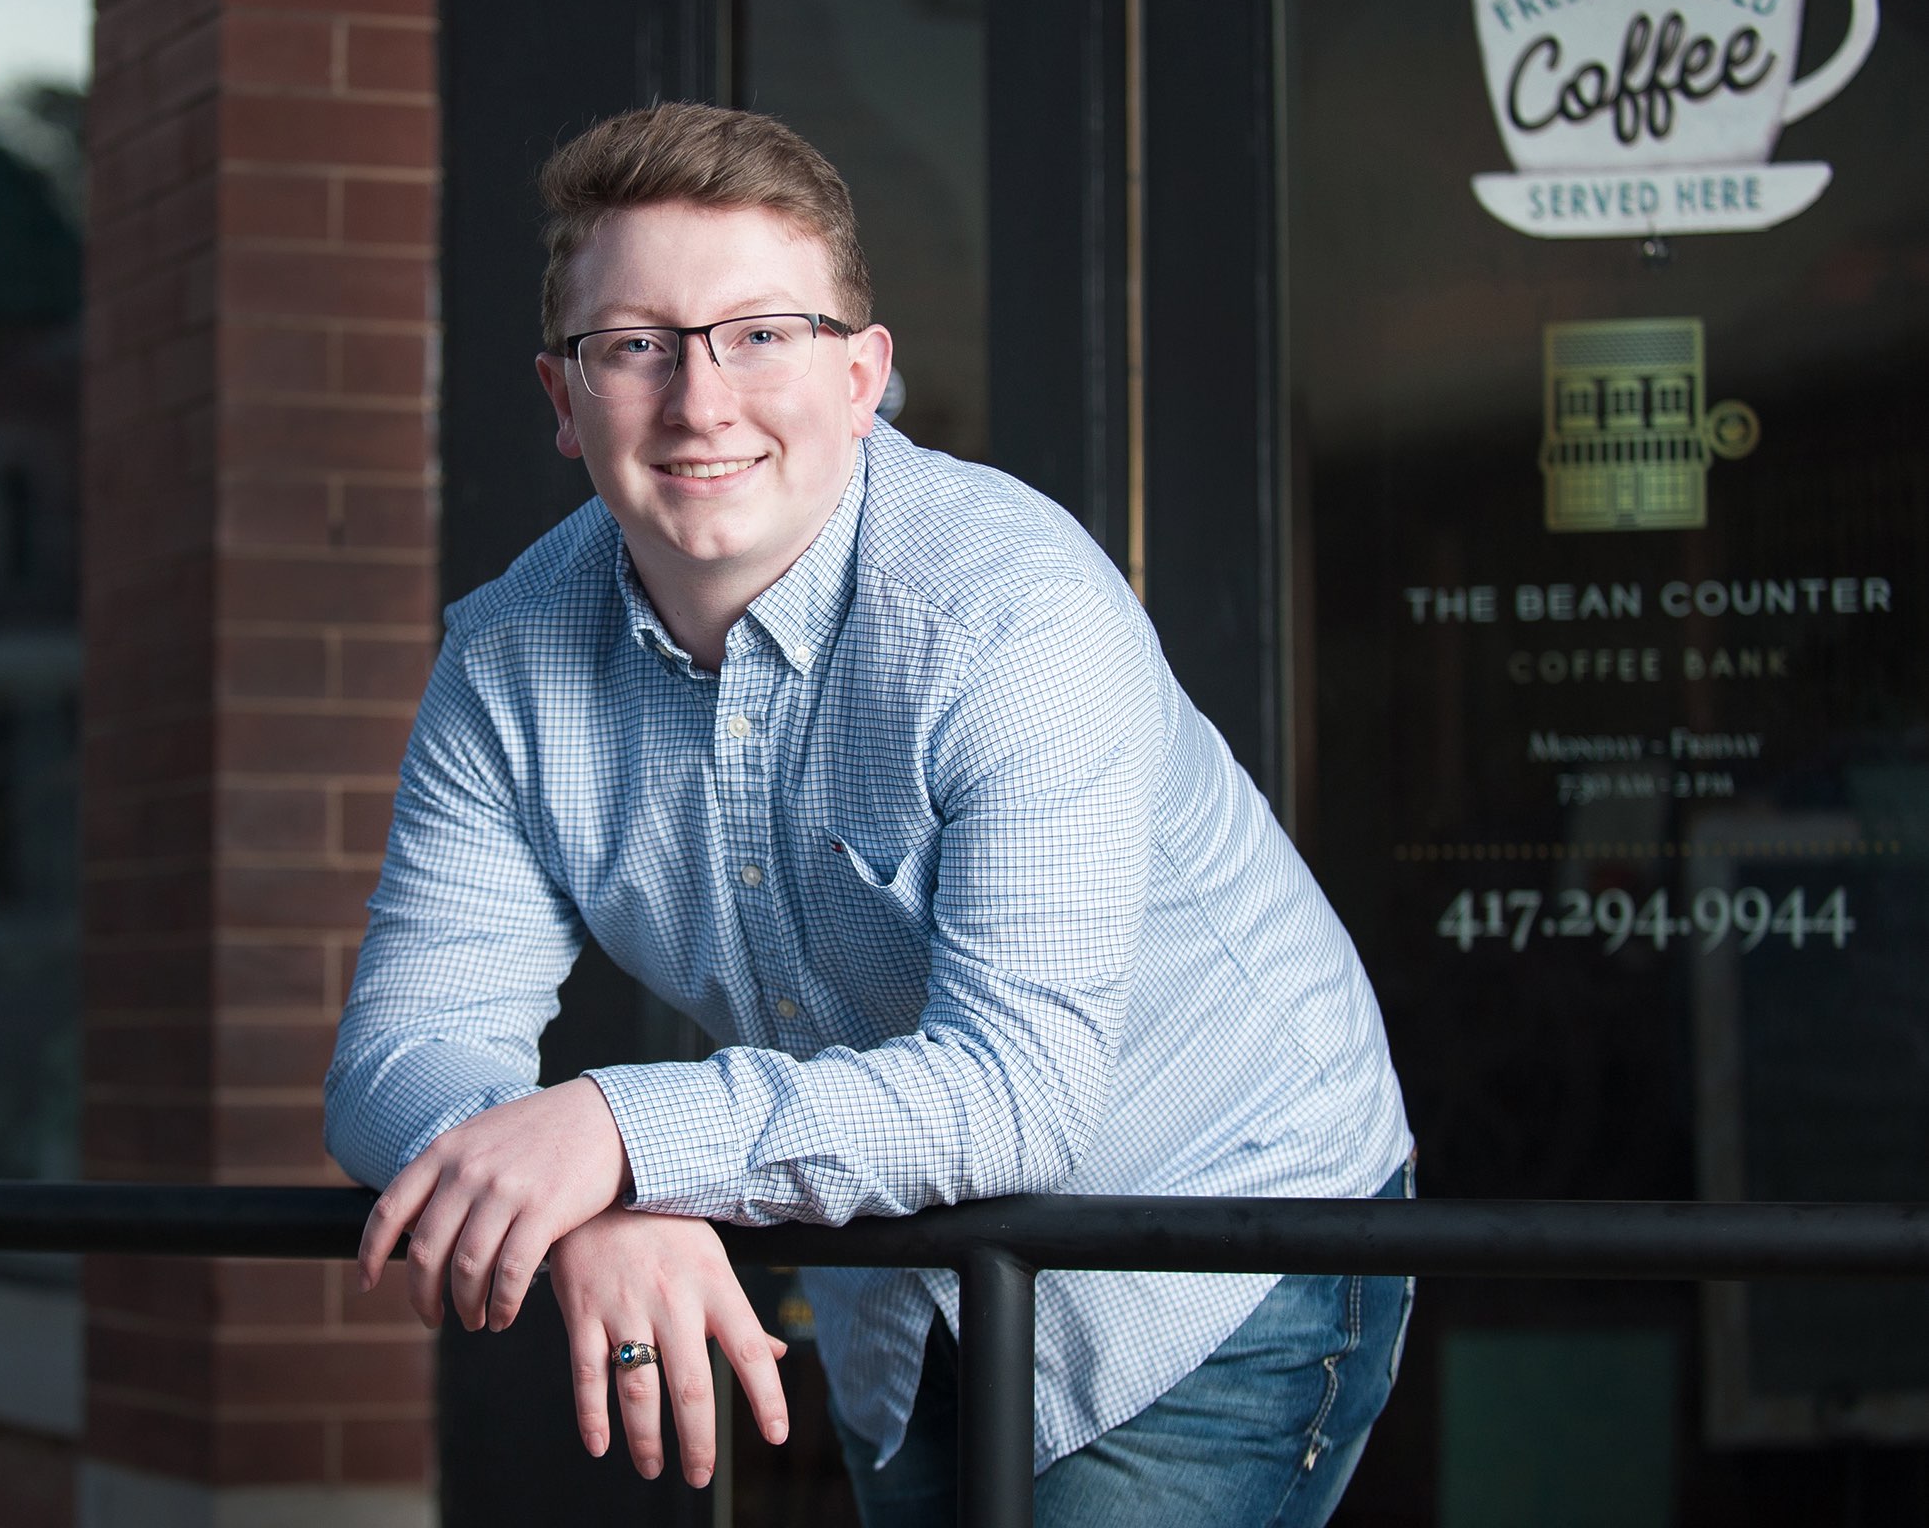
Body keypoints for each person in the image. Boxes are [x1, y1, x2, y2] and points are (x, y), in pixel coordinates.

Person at [325, 101, 1414, 1526]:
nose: (700, 401)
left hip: (1205, 1234)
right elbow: (399, 1050)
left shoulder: (1010, 615)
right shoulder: (504, 662)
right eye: (633, 345)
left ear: (862, 377)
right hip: (894, 1272)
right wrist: (581, 1198)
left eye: (762, 335)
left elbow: (1020, 1090)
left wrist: (614, 1132)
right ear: (558, 396)